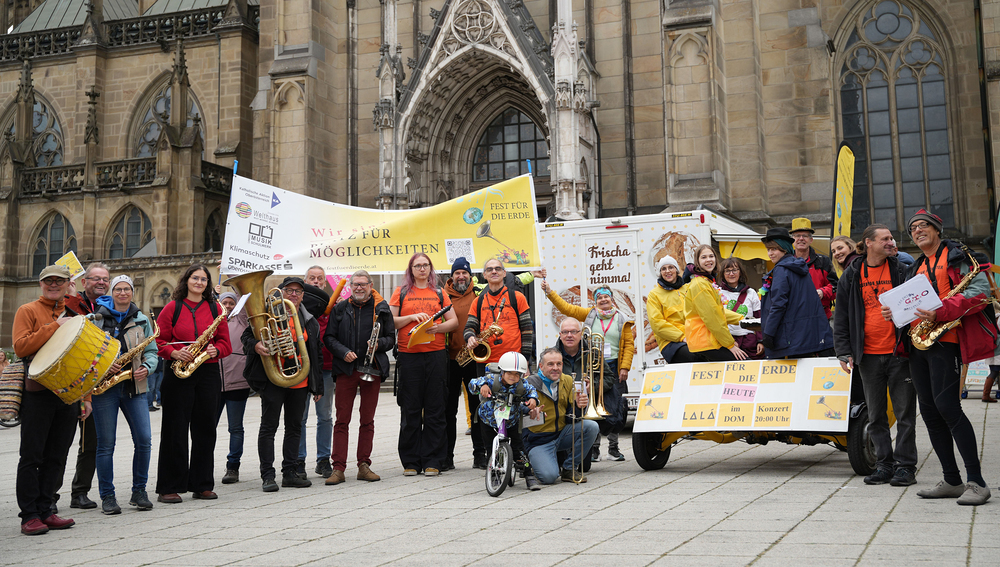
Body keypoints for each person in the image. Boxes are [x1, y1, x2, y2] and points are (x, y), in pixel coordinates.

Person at [885, 209, 995, 505]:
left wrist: (941, 312)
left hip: (947, 339)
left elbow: (981, 291)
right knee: (930, 412)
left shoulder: (960, 255)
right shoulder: (917, 265)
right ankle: (951, 479)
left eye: (923, 226)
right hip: (919, 343)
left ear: (936, 229)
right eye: (912, 229)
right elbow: (911, 303)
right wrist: (895, 311)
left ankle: (977, 482)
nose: (917, 231)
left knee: (948, 407)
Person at [833, 225, 918, 487]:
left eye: (892, 238)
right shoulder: (853, 273)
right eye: (885, 239)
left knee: (905, 413)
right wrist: (843, 351)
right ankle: (884, 464)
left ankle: (905, 467)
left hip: (899, 352)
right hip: (867, 356)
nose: (891, 242)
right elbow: (842, 315)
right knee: (875, 414)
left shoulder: (902, 269)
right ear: (869, 243)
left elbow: (916, 304)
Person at [12, 265, 89, 535]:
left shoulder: (74, 313)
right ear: (41, 284)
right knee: (32, 455)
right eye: (48, 281)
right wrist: (55, 326)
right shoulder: (28, 310)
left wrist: (85, 396)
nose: (53, 285)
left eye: (59, 281)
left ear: (68, 284)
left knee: (57, 455)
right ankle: (29, 515)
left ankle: (47, 508)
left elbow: (83, 357)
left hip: (67, 392)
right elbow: (21, 347)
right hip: (38, 392)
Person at [155, 264, 232, 504]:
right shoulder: (171, 308)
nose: (199, 282)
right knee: (174, 430)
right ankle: (169, 486)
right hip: (179, 372)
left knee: (206, 429)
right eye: (195, 278)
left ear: (208, 284)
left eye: (204, 279)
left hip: (207, 371)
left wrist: (214, 349)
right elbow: (158, 342)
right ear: (186, 280)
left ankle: (202, 484)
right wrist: (174, 352)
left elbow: (226, 344)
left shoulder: (215, 308)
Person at [242, 277, 324, 492]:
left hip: (300, 380)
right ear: (281, 292)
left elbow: (316, 354)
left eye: (298, 291)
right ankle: (268, 475)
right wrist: (257, 345)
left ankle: (289, 472)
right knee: (269, 427)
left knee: (295, 428)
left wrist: (318, 386)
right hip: (274, 379)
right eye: (289, 290)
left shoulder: (309, 320)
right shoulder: (268, 315)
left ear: (303, 295)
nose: (294, 294)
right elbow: (246, 337)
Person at [540, 280, 634, 462]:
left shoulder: (622, 319)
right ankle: (595, 448)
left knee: (615, 407)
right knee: (591, 406)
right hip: (591, 364)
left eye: (607, 296)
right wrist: (550, 292)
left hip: (614, 366)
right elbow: (567, 309)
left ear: (612, 299)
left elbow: (629, 344)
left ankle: (613, 447)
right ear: (595, 301)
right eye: (600, 297)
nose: (603, 299)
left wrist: (625, 367)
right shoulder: (590, 314)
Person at [91, 275, 157, 514]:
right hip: (104, 387)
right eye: (117, 289)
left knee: (144, 439)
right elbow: (87, 353)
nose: (122, 293)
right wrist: (103, 366)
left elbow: (151, 351)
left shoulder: (141, 320)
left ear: (132, 292)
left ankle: (139, 491)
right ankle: (107, 496)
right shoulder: (96, 318)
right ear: (111, 292)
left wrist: (147, 367)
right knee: (106, 444)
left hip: (134, 386)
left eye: (126, 289)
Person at [323, 270, 395, 485]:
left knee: (367, 420)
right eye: (356, 284)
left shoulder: (381, 309)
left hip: (371, 368)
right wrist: (343, 351)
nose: (359, 288)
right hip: (346, 369)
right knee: (341, 420)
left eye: (363, 284)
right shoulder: (340, 308)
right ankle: (338, 468)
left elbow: (391, 338)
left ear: (371, 285)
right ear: (351, 286)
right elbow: (329, 337)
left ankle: (364, 465)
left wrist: (378, 345)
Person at [390, 253, 459, 476]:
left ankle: (433, 460)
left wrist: (437, 328)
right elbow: (391, 321)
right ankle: (410, 461)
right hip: (409, 356)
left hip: (436, 355)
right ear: (411, 270)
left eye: (425, 265)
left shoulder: (440, 293)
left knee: (435, 409)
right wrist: (411, 318)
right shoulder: (400, 292)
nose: (422, 269)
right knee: (410, 409)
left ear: (430, 269)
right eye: (417, 266)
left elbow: (454, 322)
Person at [58, 262, 110, 511]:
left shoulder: (109, 308)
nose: (101, 282)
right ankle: (48, 495)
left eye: (105, 279)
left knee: (91, 443)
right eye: (95, 279)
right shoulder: (68, 306)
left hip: (96, 385)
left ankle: (80, 492)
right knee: (59, 442)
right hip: (68, 383)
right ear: (84, 282)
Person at [524, 347, 600, 484]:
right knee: (548, 477)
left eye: (559, 364)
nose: (556, 368)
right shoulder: (529, 384)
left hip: (561, 434)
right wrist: (528, 412)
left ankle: (569, 469)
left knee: (591, 427)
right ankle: (533, 460)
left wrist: (578, 406)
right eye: (550, 364)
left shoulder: (568, 381)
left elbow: (571, 418)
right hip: (538, 440)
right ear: (541, 366)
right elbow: (520, 418)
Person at [468, 352, 540, 490]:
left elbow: (532, 391)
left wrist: (533, 400)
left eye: (517, 374)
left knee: (519, 449)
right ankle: (494, 474)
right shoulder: (491, 379)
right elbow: (473, 383)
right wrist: (482, 385)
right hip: (489, 420)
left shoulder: (522, 385)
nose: (513, 377)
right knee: (490, 448)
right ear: (502, 371)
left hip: (511, 420)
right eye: (510, 373)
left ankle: (528, 474)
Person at [759, 228, 834, 358]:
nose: (770, 253)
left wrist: (768, 334)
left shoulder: (782, 270)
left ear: (784, 248)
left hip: (789, 336)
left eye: (774, 249)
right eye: (768, 249)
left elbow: (778, 304)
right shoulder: (797, 266)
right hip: (804, 335)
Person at [444, 257, 486, 469]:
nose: (461, 276)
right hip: (449, 360)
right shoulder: (441, 295)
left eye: (464, 272)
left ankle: (480, 454)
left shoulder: (480, 293)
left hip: (474, 359)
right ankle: (447, 457)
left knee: (477, 408)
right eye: (457, 273)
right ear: (452, 276)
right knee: (448, 410)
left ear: (470, 275)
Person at [299, 266, 337, 479]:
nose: (316, 281)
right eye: (311, 278)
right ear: (305, 282)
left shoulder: (331, 309)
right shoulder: (296, 307)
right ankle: (299, 459)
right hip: (301, 369)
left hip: (326, 369)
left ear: (324, 283)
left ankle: (323, 459)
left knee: (325, 416)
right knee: (300, 417)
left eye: (319, 279)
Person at [464, 258, 534, 373]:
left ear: (504, 273)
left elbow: (527, 331)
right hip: (485, 361)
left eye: (498, 269)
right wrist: (470, 337)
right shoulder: (477, 301)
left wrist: (525, 361)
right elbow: (469, 327)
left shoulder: (518, 297)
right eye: (490, 269)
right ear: (484, 275)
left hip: (514, 361)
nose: (494, 271)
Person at [683, 245, 747, 362]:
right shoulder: (700, 284)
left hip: (708, 341)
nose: (708, 260)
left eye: (711, 256)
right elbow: (712, 318)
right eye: (704, 257)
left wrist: (743, 319)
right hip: (706, 342)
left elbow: (718, 311)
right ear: (697, 261)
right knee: (745, 364)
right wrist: (730, 344)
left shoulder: (705, 281)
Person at [217, 292, 251, 485]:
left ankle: (233, 467)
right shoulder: (212, 321)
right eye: (225, 302)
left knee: (235, 427)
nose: (228, 306)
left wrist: (233, 279)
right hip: (214, 383)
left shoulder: (241, 319)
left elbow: (244, 302)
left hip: (238, 382)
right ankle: (202, 464)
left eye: (231, 303)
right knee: (208, 426)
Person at [646, 256, 698, 363]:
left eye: (671, 267)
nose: (667, 271)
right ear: (660, 273)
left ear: (676, 270)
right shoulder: (654, 294)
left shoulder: (688, 288)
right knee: (694, 355)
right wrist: (682, 337)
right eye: (663, 269)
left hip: (694, 336)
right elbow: (657, 324)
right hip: (671, 343)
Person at [789, 218, 838, 319]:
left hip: (820, 316)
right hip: (794, 317)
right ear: (792, 240)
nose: (801, 238)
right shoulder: (786, 263)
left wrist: (822, 292)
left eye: (805, 236)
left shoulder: (823, 261)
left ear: (811, 240)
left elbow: (836, 287)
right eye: (797, 236)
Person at [717, 257, 764, 359]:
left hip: (749, 340)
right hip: (729, 340)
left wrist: (761, 341)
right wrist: (728, 342)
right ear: (723, 274)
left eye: (734, 270)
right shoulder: (717, 293)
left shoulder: (751, 293)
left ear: (740, 272)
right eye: (727, 271)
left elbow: (759, 317)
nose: (731, 274)